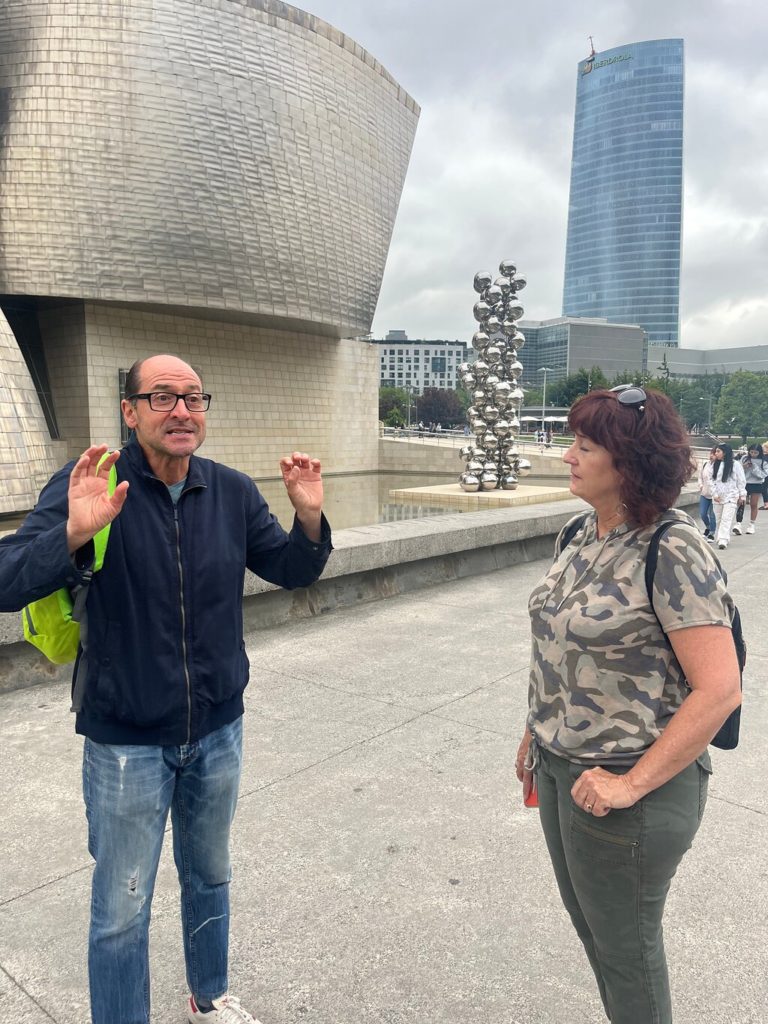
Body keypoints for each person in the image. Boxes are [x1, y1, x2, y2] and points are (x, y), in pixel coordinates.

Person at [0, 354, 332, 1024]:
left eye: (193, 397)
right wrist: (73, 531)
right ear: (130, 411)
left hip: (217, 729)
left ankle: (209, 996)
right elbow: (7, 581)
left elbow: (291, 570)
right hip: (126, 740)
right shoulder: (89, 481)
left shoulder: (231, 491)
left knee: (209, 875)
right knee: (121, 908)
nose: (182, 410)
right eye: (161, 397)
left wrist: (310, 521)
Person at [516, 385, 741, 1024]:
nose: (567, 456)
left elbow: (720, 688)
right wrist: (535, 728)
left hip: (631, 785)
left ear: (629, 464)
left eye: (585, 446)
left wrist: (630, 785)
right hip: (563, 770)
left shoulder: (672, 548)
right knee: (596, 934)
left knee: (626, 951)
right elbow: (556, 641)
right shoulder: (579, 532)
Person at [711, 443, 746, 548]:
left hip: (731, 496)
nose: (716, 454)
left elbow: (741, 480)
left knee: (726, 518)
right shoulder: (714, 465)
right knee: (718, 519)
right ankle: (722, 536)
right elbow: (711, 481)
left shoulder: (735, 464)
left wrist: (742, 495)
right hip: (718, 496)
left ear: (725, 453)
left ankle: (723, 539)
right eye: (715, 451)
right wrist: (714, 494)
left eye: (718, 451)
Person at [741, 443, 768, 533]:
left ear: (759, 452)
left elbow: (763, 475)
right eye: (751, 452)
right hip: (744, 483)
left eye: (755, 453)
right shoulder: (745, 458)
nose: (753, 454)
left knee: (753, 504)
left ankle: (752, 524)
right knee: (741, 503)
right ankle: (738, 523)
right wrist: (744, 467)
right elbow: (738, 470)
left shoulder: (763, 461)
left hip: (756, 484)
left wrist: (754, 467)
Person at [697, 446, 717, 540]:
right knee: (703, 513)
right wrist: (700, 485)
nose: (711, 456)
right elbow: (700, 476)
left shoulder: (719, 466)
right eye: (711, 453)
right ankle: (708, 528)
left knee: (712, 515)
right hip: (704, 493)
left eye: (714, 454)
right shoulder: (705, 464)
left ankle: (712, 533)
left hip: (715, 494)